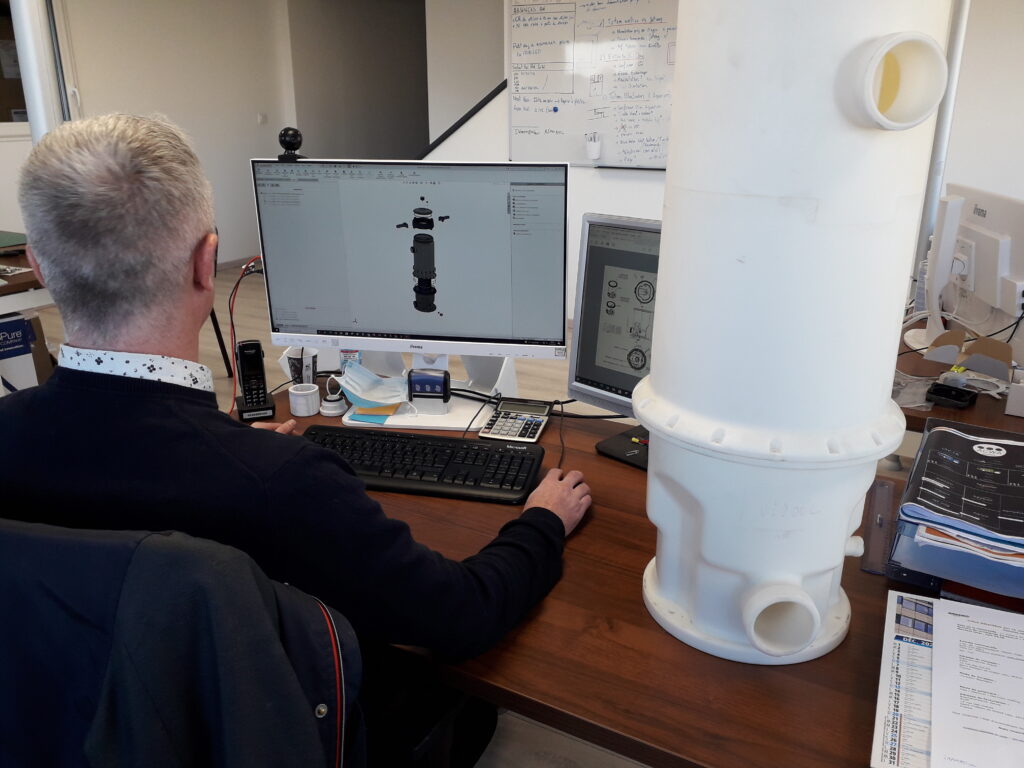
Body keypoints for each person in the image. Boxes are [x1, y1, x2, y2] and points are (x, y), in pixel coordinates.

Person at [1, 114, 591, 763]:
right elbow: (462, 618)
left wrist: (237, 450)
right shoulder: (279, 483)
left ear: (38, 267)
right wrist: (542, 521)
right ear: (206, 263)